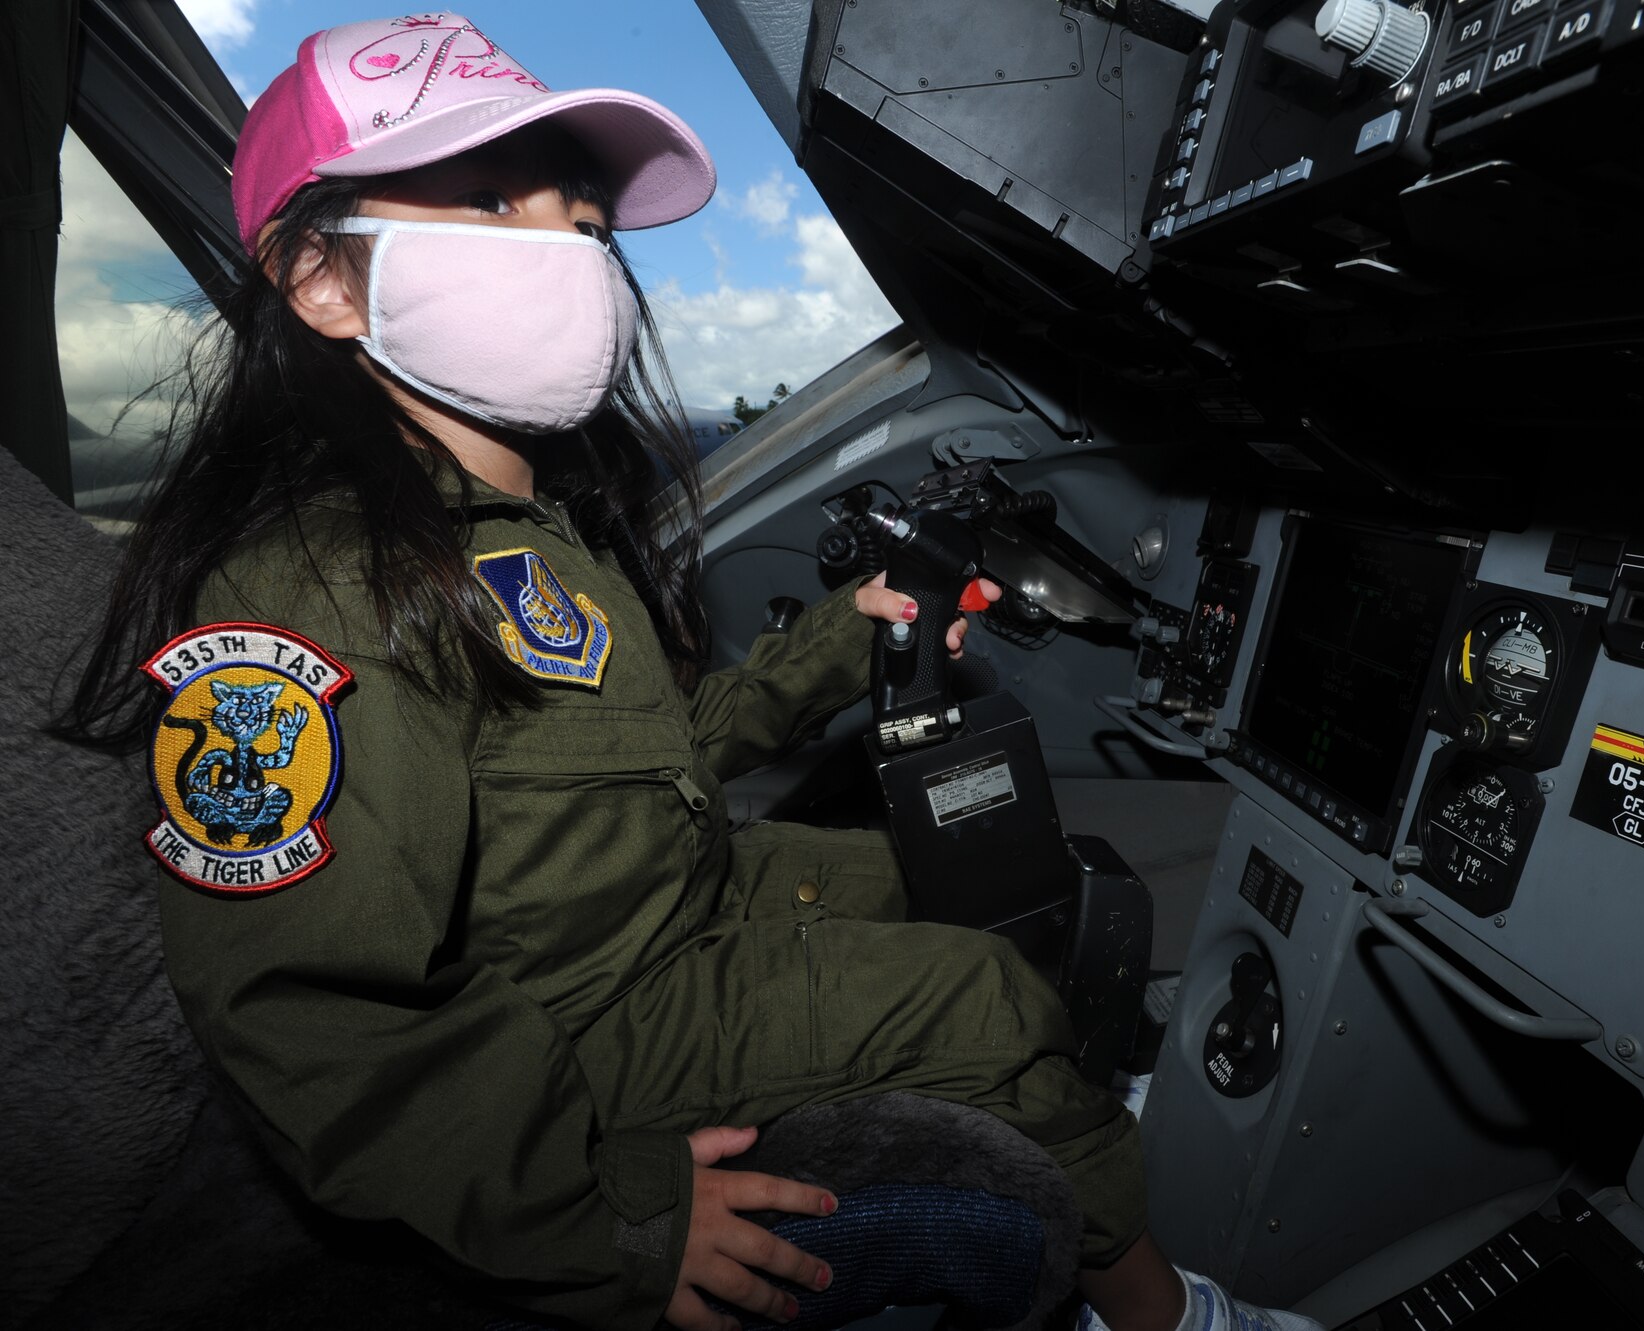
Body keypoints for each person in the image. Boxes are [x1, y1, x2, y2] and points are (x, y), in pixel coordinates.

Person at [57, 13, 1327, 1331]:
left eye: (585, 221)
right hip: (587, 1020)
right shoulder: (313, 594)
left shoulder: (525, 532)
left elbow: (655, 752)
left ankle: (1058, 1105)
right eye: (494, 200)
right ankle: (1165, 1314)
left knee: (983, 874)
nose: (570, 255)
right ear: (322, 280)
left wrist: (852, 629)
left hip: (687, 902)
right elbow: (324, 1018)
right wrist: (612, 1220)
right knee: (986, 993)